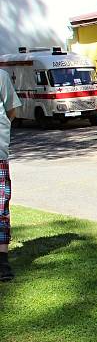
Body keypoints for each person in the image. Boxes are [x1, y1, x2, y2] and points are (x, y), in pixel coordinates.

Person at [0, 69, 21, 281]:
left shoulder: (1, 76)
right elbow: (11, 112)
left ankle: (2, 261)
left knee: (0, 205)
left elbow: (11, 111)